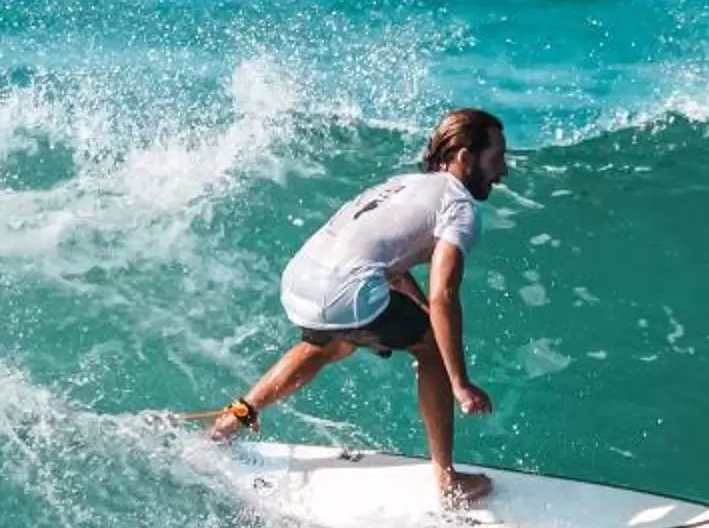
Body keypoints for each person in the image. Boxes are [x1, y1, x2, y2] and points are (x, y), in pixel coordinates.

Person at [196, 108, 508, 504]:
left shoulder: (402, 185)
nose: (502, 171)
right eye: (496, 158)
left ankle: (232, 420)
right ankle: (447, 480)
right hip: (344, 291)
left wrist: (414, 308)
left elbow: (386, 261)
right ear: (465, 157)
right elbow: (443, 293)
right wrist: (460, 383)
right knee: (431, 346)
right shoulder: (459, 205)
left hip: (300, 282)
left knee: (332, 343)